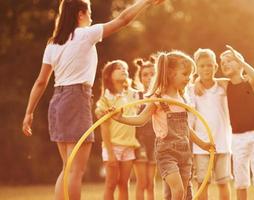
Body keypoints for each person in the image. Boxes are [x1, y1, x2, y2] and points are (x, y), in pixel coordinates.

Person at [21, 0, 164, 199]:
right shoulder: (85, 34)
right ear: (81, 14)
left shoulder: (53, 43)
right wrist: (145, 2)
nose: (91, 17)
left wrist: (29, 112)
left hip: (58, 100)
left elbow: (40, 82)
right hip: (76, 99)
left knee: (67, 166)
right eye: (89, 12)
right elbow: (123, 20)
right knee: (76, 170)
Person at [111, 51, 214, 200]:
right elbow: (141, 119)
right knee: (178, 191)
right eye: (185, 74)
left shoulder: (182, 98)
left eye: (190, 75)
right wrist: (120, 118)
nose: (188, 78)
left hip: (185, 154)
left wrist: (203, 144)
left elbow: (186, 128)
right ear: (171, 74)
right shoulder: (159, 98)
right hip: (166, 153)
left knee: (183, 194)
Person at [219, 45, 254, 200]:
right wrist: (200, 83)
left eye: (230, 60)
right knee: (240, 180)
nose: (225, 64)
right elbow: (208, 81)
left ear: (240, 63)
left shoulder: (250, 83)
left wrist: (241, 61)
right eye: (223, 63)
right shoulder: (225, 84)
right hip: (237, 138)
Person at [190, 48, 232, 200]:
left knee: (223, 182)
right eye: (201, 66)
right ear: (196, 68)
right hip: (201, 145)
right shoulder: (191, 90)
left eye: (209, 65)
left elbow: (237, 80)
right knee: (202, 183)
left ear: (215, 67)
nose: (206, 69)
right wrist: (195, 82)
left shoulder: (223, 87)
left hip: (222, 143)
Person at [95, 60, 140, 200]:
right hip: (113, 147)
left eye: (125, 68)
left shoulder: (132, 94)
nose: (123, 70)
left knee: (124, 184)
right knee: (110, 184)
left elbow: (144, 91)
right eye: (119, 68)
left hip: (129, 145)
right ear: (109, 75)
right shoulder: (107, 97)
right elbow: (102, 122)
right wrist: (110, 153)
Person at [133, 57, 157, 200]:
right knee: (141, 182)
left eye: (152, 74)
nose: (149, 77)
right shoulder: (136, 96)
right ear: (140, 78)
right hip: (139, 141)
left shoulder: (159, 96)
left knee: (151, 183)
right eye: (145, 74)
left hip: (154, 140)